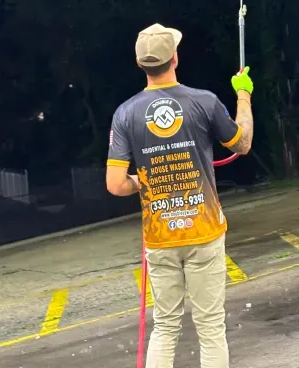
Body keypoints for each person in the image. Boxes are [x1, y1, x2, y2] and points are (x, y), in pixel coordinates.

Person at [106, 23, 254, 368]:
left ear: (140, 64)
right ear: (175, 58)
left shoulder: (125, 114)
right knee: (211, 327)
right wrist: (243, 95)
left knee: (166, 327)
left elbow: (115, 184)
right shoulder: (203, 101)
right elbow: (242, 144)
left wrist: (138, 183)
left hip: (160, 237)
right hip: (203, 232)